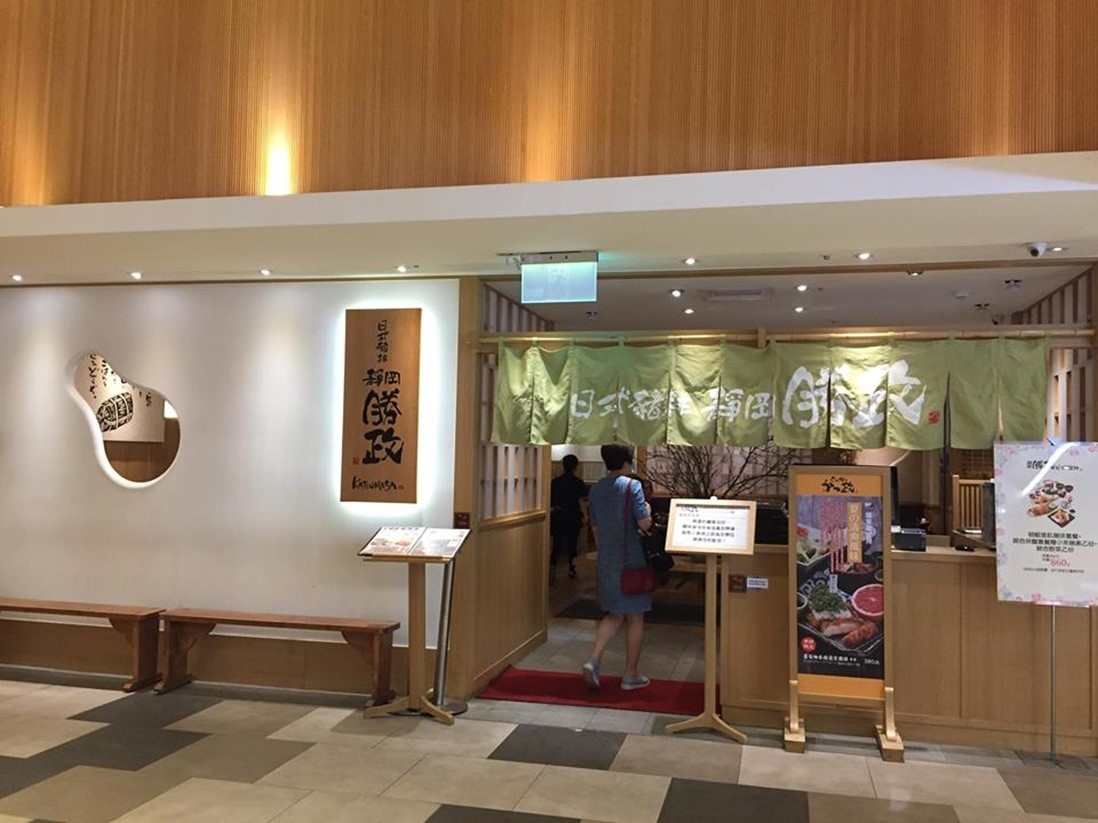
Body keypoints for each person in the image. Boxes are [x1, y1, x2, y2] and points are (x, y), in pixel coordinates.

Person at [582, 443, 652, 691]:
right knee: (635, 616)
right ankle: (630, 674)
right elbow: (644, 523)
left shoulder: (596, 489)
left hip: (607, 558)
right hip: (631, 559)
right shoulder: (632, 486)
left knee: (613, 614)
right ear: (627, 461)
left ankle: (593, 659)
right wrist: (648, 511)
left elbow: (595, 527)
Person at [549, 454, 588, 583]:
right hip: (573, 515)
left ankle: (552, 568)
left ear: (563, 465)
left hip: (558, 515)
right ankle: (572, 568)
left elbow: (551, 501)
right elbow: (581, 501)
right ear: (576, 467)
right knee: (572, 543)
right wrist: (585, 516)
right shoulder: (578, 483)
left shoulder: (555, 482)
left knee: (557, 544)